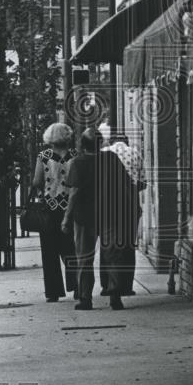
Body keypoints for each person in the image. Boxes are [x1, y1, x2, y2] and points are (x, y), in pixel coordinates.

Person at [31, 122, 77, 302]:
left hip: (49, 208)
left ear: (49, 138)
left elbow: (36, 181)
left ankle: (53, 291)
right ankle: (77, 285)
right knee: (70, 249)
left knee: (49, 251)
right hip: (69, 207)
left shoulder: (44, 156)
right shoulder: (75, 155)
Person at [96, 138, 142, 310]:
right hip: (130, 205)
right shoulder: (135, 154)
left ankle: (108, 284)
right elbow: (142, 183)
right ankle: (125, 285)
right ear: (127, 142)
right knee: (128, 245)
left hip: (108, 204)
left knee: (108, 245)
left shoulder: (105, 155)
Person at [61, 127, 101, 311]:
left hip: (84, 216)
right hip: (108, 214)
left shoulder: (77, 163)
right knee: (111, 256)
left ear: (82, 145)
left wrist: (66, 218)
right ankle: (114, 292)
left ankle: (85, 297)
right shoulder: (109, 160)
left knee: (85, 258)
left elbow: (74, 192)